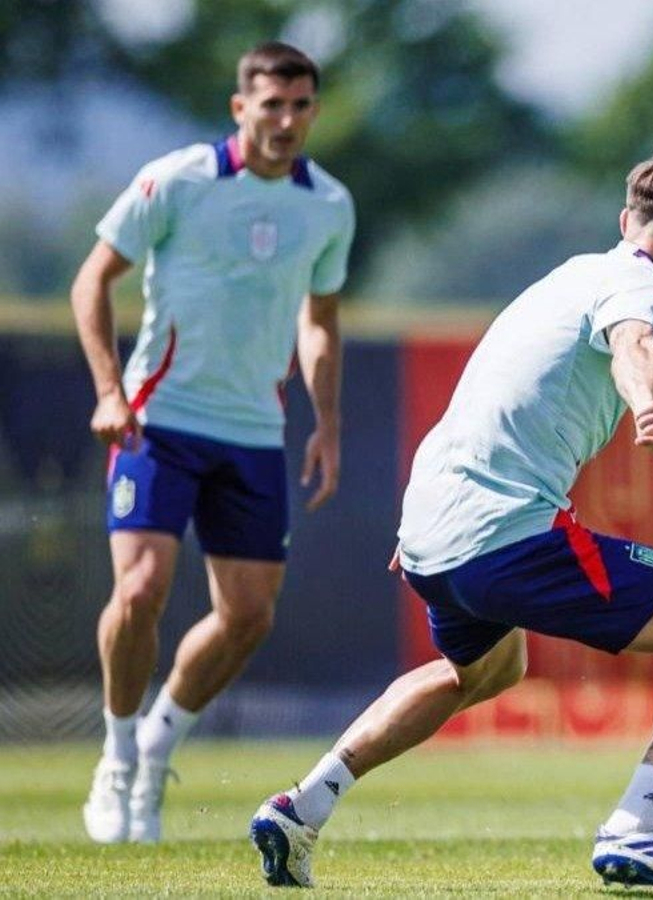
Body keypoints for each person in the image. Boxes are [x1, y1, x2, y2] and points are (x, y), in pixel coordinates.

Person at [249, 145, 653, 899]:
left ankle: (303, 806)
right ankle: (641, 826)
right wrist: (645, 400)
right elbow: (636, 344)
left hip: (432, 525)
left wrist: (429, 528)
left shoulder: (575, 274)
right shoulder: (643, 289)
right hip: (504, 533)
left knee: (487, 670)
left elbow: (521, 372)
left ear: (626, 219)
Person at [71, 41, 354, 845]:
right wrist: (107, 391)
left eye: (301, 106)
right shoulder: (177, 180)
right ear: (241, 108)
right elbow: (92, 279)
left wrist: (327, 424)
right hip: (158, 421)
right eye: (272, 104)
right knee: (141, 589)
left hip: (255, 433)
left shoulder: (329, 205)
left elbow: (321, 323)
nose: (287, 120)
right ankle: (118, 757)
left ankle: (158, 744)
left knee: (250, 615)